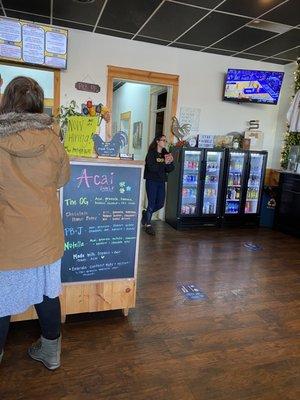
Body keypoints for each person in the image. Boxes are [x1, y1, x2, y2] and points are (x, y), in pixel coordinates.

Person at [0, 77, 70, 370]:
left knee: (1, 302)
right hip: (45, 236)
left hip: (8, 238)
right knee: (47, 294)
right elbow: (61, 180)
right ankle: (51, 353)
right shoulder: (53, 139)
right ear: (39, 103)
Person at [142, 134, 174, 235]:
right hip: (152, 181)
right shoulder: (151, 154)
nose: (165, 142)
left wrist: (169, 163)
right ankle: (148, 224)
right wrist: (164, 163)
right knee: (151, 203)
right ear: (157, 141)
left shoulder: (166, 154)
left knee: (160, 203)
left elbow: (170, 169)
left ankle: (146, 214)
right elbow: (152, 168)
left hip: (161, 181)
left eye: (165, 141)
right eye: (163, 140)